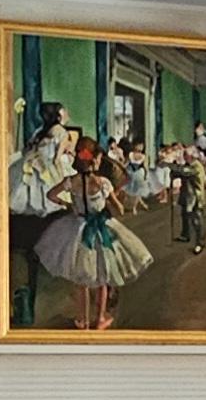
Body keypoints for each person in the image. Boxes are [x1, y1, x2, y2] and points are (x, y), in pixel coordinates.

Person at [35, 138, 153, 329]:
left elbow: (50, 195)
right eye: (97, 159)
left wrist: (67, 204)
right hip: (100, 228)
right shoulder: (102, 183)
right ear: (92, 161)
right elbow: (120, 209)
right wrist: (108, 204)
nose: (99, 162)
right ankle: (99, 319)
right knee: (102, 277)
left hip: (77, 228)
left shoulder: (70, 181)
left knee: (82, 279)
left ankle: (83, 320)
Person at [7, 101, 74, 215]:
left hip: (33, 160)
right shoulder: (62, 132)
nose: (67, 114)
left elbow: (28, 149)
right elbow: (56, 160)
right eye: (64, 111)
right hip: (46, 164)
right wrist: (60, 177)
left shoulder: (40, 131)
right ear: (58, 115)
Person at [175, 155, 206, 254]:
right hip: (187, 195)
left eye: (186, 156)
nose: (185, 157)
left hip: (195, 197)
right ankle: (185, 234)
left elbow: (185, 172)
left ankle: (200, 243)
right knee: (184, 215)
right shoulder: (190, 165)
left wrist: (177, 170)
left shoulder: (196, 166)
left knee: (197, 220)